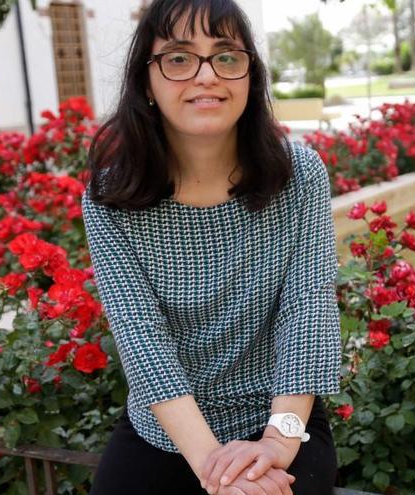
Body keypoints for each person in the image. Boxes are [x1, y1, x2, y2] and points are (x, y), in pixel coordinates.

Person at [81, 1, 342, 494]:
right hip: (165, 430)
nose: (207, 76)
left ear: (250, 75)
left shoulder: (299, 176)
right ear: (146, 81)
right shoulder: (111, 197)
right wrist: (217, 471)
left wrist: (274, 447)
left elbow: (308, 313)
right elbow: (142, 344)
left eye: (226, 56)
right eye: (179, 58)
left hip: (278, 421)